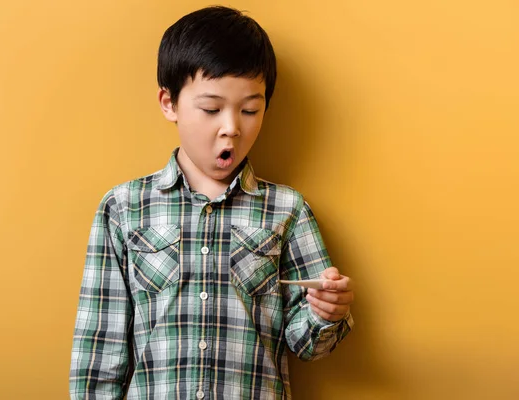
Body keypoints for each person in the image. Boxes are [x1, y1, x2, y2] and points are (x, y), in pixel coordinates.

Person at [70, 6, 354, 399]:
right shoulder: (122, 208)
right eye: (211, 108)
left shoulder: (287, 211)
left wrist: (326, 313)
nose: (232, 127)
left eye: (250, 110)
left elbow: (306, 344)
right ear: (169, 103)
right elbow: (99, 352)